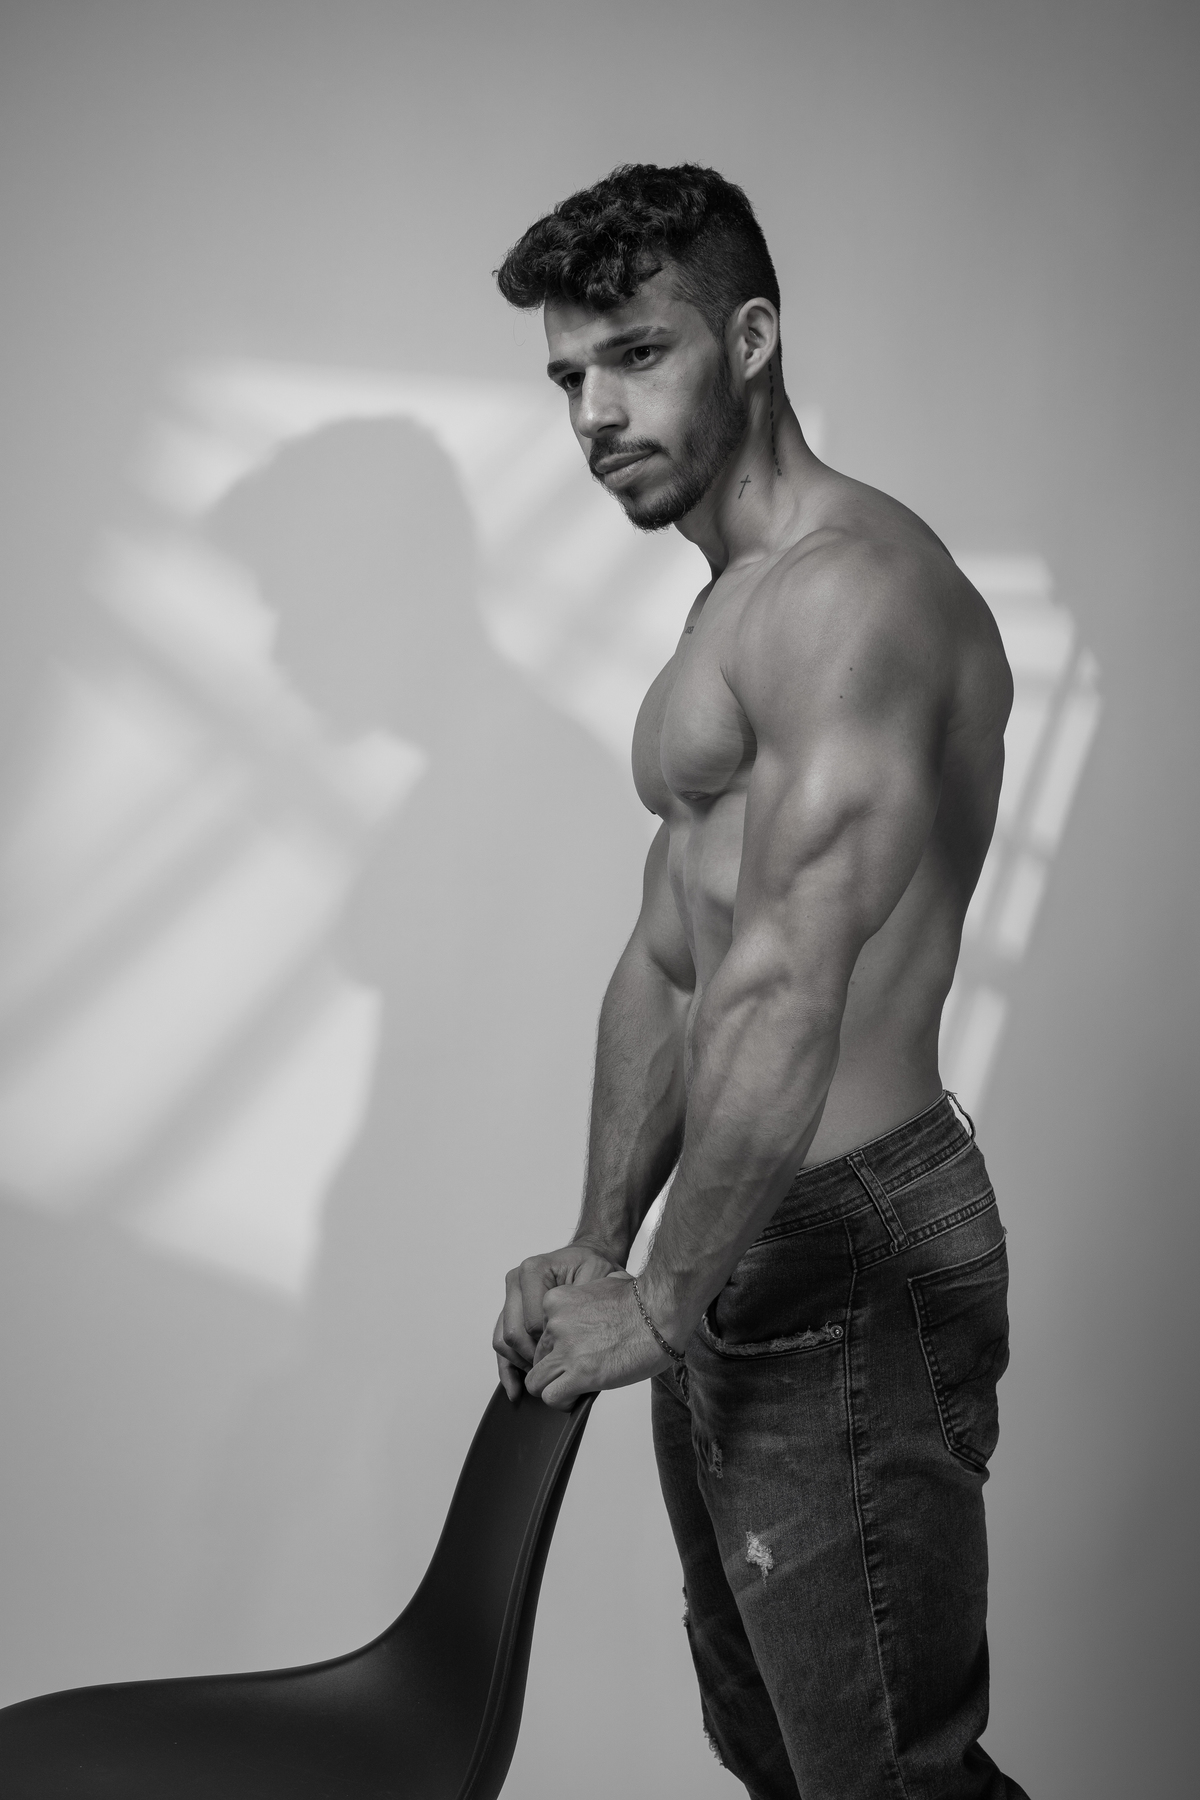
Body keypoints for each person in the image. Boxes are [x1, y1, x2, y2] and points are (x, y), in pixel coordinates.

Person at [491, 165, 1028, 1800]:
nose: (595, 413)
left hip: (846, 1245)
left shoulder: (853, 597)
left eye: (636, 355)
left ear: (751, 339)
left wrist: (663, 1299)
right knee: (777, 1751)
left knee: (882, 1777)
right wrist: (606, 1244)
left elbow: (789, 985)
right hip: (736, 1231)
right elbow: (677, 955)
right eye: (569, 377)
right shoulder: (733, 606)